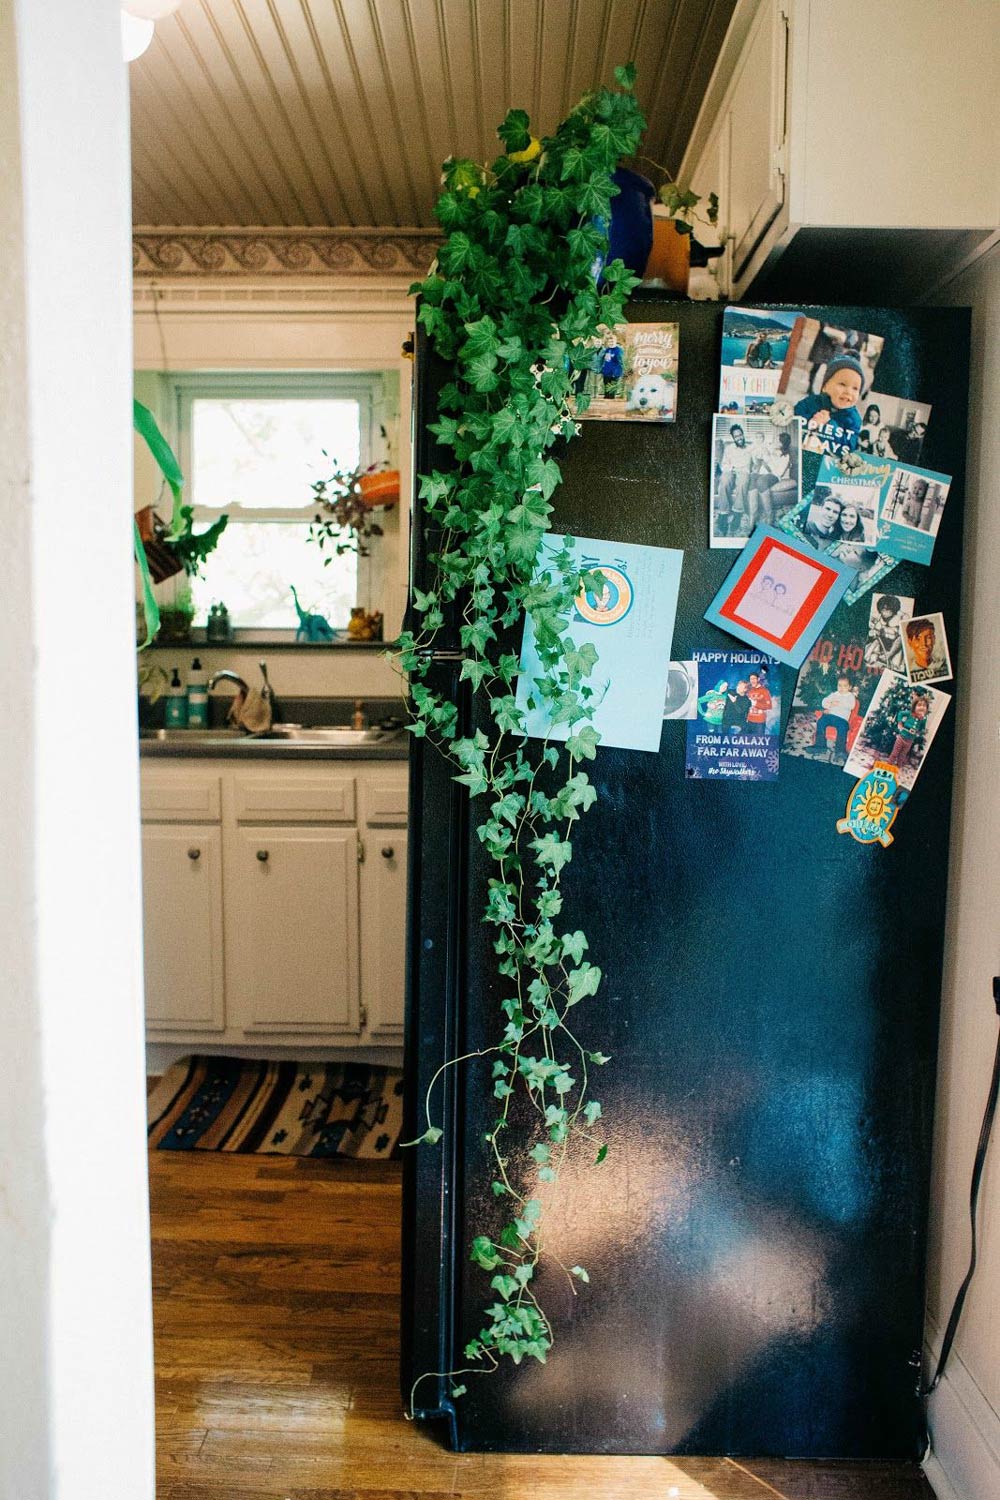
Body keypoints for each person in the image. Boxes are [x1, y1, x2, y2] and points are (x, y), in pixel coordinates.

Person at [794, 353, 865, 455]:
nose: (849, 392)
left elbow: (848, 447)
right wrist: (812, 423)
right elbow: (793, 421)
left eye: (855, 388)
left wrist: (829, 424)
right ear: (825, 386)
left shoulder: (853, 419)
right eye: (842, 384)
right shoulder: (811, 402)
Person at [807, 675, 858, 763]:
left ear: (849, 687)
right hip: (830, 716)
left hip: (842, 719)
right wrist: (830, 704)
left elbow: (852, 705)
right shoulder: (834, 694)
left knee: (843, 728)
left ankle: (840, 751)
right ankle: (820, 746)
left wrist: (840, 702)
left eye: (845, 686)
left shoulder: (850, 696)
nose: (841, 688)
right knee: (821, 721)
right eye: (839, 685)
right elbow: (823, 702)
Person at [715, 423, 754, 538]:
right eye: (736, 436)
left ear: (743, 435)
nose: (739, 438)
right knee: (724, 481)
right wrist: (730, 469)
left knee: (743, 482)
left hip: (743, 471)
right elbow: (724, 464)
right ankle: (723, 514)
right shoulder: (729, 448)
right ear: (733, 438)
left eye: (740, 435)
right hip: (731, 470)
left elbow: (751, 464)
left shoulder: (750, 448)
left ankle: (737, 513)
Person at [888, 691, 930, 769]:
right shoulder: (910, 714)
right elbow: (900, 713)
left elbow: (922, 728)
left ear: (926, 709)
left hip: (910, 741)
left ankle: (897, 769)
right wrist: (900, 722)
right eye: (919, 705)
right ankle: (888, 765)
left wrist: (923, 721)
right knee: (895, 753)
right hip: (901, 737)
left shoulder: (923, 719)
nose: (922, 707)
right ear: (914, 707)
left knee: (902, 756)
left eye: (924, 706)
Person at [865, 593, 907, 673]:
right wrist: (873, 632)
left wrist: (890, 654)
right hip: (881, 644)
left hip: (895, 648)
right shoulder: (879, 618)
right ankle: (869, 656)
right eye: (883, 610)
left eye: (887, 610)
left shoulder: (900, 619)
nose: (884, 613)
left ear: (893, 610)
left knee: (895, 666)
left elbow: (900, 639)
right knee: (875, 644)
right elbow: (875, 634)